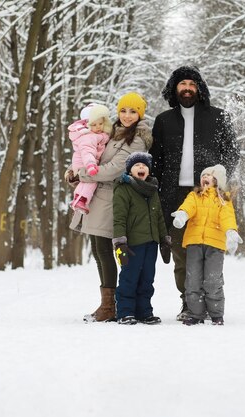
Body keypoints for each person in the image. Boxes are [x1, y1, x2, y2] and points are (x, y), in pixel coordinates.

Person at [150, 65, 240, 321]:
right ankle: (190, 304)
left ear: (199, 89)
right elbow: (155, 160)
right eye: (182, 85)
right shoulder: (163, 121)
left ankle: (212, 303)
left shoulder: (218, 116)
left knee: (209, 248)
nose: (187, 89)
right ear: (174, 89)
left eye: (192, 85)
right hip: (174, 195)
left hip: (207, 194)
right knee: (181, 252)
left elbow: (232, 153)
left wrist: (219, 176)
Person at [66, 92, 152, 322]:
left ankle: (110, 306)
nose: (127, 115)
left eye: (133, 111)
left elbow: (115, 168)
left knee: (105, 251)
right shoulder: (111, 132)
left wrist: (82, 174)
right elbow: (91, 154)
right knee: (98, 250)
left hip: (111, 199)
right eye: (123, 110)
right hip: (98, 196)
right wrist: (74, 171)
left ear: (140, 114)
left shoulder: (136, 139)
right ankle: (107, 303)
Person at [171, 164, 242, 326]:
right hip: (194, 244)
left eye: (209, 175)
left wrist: (230, 231)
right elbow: (189, 207)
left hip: (215, 246)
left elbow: (227, 217)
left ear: (218, 180)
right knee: (193, 280)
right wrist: (183, 214)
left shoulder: (223, 200)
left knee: (212, 280)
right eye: (203, 175)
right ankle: (196, 314)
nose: (205, 178)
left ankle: (216, 314)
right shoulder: (194, 196)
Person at [112, 152, 171, 325]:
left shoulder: (152, 189)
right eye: (137, 165)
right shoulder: (123, 189)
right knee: (129, 277)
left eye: (144, 165)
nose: (141, 167)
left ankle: (144, 311)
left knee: (147, 278)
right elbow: (119, 217)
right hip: (132, 243)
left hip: (151, 242)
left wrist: (164, 239)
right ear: (130, 171)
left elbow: (159, 216)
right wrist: (120, 242)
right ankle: (125, 311)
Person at [67, 103, 111, 214]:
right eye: (94, 124)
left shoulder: (97, 135)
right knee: (92, 180)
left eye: (101, 123)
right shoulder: (89, 137)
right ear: (87, 125)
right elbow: (87, 152)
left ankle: (78, 199)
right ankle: (81, 200)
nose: (98, 127)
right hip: (84, 162)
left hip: (85, 161)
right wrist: (90, 165)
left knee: (86, 182)